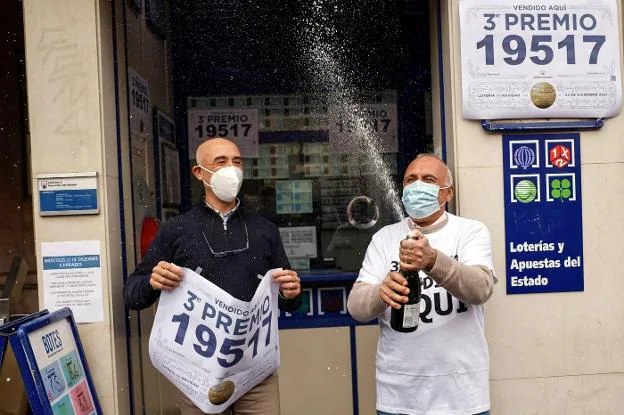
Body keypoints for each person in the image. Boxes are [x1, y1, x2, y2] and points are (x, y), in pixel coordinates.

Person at [124, 138, 302, 415]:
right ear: (199, 173)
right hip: (198, 376)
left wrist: (289, 293)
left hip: (255, 374)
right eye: (221, 162)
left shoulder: (265, 230)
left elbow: (289, 300)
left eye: (237, 162)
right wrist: (152, 282)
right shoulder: (176, 230)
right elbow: (132, 294)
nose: (232, 169)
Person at [347, 154, 495, 415]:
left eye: (429, 180)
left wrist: (432, 260)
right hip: (399, 396)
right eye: (410, 180)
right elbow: (357, 307)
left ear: (448, 193)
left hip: (463, 396)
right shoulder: (384, 238)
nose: (418, 186)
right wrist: (380, 294)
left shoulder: (470, 231)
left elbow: (481, 289)